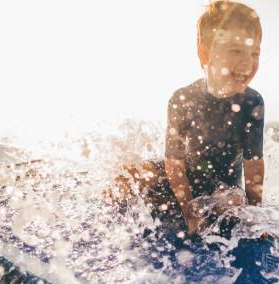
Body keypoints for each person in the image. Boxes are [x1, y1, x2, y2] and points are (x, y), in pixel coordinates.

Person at [110, 0, 265, 236]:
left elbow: (253, 167)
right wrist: (189, 213)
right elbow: (174, 163)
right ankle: (112, 228)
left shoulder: (252, 103)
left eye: (254, 53)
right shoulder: (183, 99)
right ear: (205, 52)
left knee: (231, 202)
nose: (247, 63)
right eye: (236, 50)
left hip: (223, 187)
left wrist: (257, 217)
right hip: (182, 180)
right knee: (127, 176)